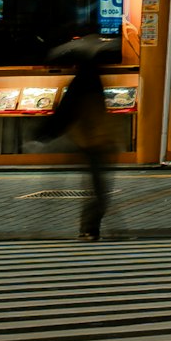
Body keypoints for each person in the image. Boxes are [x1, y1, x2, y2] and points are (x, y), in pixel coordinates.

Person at [36, 26, 120, 242]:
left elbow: (66, 112)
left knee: (98, 186)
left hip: (91, 139)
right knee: (99, 188)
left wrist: (46, 134)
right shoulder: (90, 79)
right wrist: (46, 134)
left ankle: (91, 228)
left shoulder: (83, 79)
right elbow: (70, 112)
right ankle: (90, 229)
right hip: (95, 140)